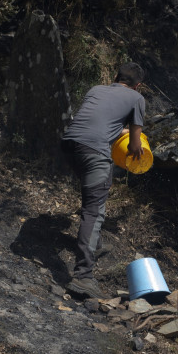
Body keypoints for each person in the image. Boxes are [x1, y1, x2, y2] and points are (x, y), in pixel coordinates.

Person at [60, 62, 146, 298]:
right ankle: (83, 277)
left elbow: (96, 121)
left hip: (69, 146)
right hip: (94, 151)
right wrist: (136, 148)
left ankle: (94, 245)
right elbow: (135, 145)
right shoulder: (137, 99)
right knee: (93, 210)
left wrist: (120, 131)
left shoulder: (96, 90)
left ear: (116, 76)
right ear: (137, 86)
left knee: (93, 197)